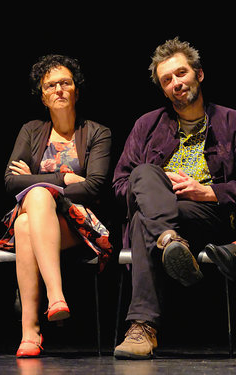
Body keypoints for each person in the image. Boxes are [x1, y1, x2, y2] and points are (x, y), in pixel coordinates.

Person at [113, 37, 236, 360]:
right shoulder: (148, 125)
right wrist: (154, 187)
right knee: (144, 174)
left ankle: (142, 327)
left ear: (199, 74)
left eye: (181, 74)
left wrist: (209, 191)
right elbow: (120, 183)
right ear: (163, 89)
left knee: (144, 219)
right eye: (167, 80)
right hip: (167, 219)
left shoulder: (231, 122)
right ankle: (169, 240)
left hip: (212, 217)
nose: (176, 83)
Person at [0, 54, 112, 358]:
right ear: (43, 96)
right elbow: (9, 182)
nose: (59, 89)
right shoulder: (31, 130)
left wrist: (40, 184)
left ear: (76, 90)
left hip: (80, 223)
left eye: (65, 83)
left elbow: (95, 186)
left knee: (35, 197)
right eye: (51, 85)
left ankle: (32, 329)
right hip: (36, 219)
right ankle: (52, 303)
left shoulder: (97, 132)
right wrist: (64, 177)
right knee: (28, 215)